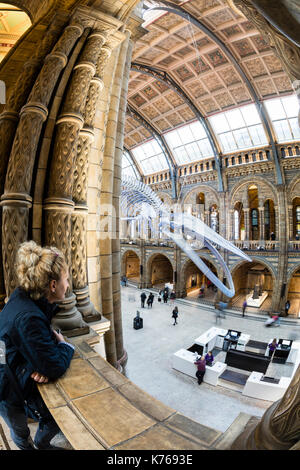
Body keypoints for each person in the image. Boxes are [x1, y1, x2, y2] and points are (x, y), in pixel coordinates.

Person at [0, 241, 75, 450]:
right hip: (5, 387)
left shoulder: (25, 297)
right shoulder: (29, 317)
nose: (67, 285)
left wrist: (37, 364)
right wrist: (65, 347)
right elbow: (54, 366)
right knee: (20, 430)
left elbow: (27, 342)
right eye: (66, 279)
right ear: (52, 285)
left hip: (12, 370)